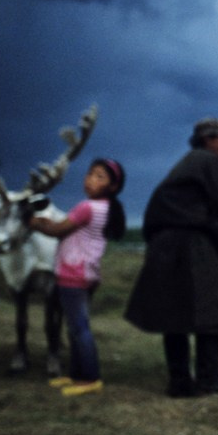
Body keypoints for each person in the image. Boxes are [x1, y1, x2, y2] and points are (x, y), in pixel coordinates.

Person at [125, 117, 218, 398]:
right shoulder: (209, 161)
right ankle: (210, 382)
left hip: (165, 246)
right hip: (194, 244)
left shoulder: (185, 164)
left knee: (174, 316)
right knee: (210, 314)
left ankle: (179, 382)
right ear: (210, 139)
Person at [29, 158, 127, 396]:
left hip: (73, 274)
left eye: (99, 176)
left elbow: (57, 230)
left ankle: (90, 377)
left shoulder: (87, 207)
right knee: (75, 327)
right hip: (88, 274)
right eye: (90, 174)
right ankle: (76, 374)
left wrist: (30, 221)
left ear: (113, 186)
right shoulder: (104, 208)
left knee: (79, 328)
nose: (90, 179)